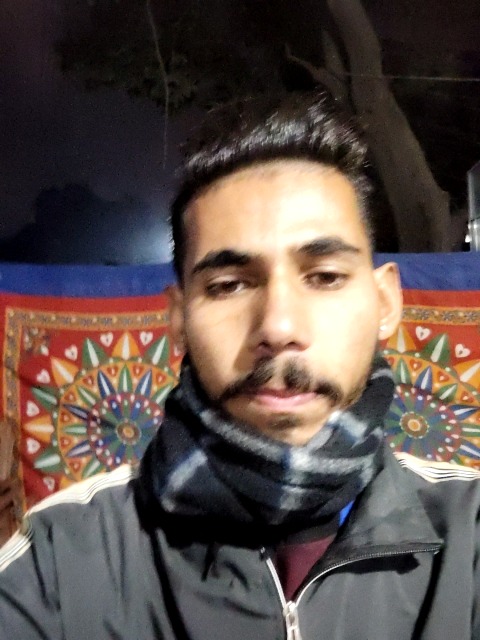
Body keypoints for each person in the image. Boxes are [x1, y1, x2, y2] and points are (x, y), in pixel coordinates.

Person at [1, 92, 480, 640]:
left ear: (385, 303)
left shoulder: (469, 536)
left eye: (324, 277)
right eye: (229, 285)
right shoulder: (62, 560)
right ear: (178, 319)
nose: (278, 326)